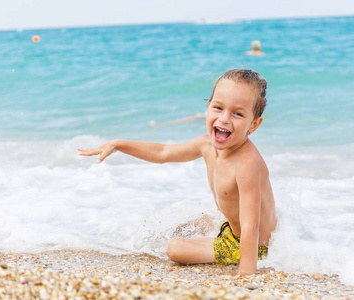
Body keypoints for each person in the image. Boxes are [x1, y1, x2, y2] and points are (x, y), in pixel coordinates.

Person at [78, 69, 277, 276]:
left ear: (254, 124)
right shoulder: (206, 144)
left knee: (174, 248)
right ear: (208, 107)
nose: (224, 119)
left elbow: (250, 225)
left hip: (256, 247)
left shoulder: (246, 164)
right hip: (235, 230)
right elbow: (163, 152)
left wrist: (245, 277)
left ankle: (231, 255)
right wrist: (119, 144)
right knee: (181, 226)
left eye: (238, 113)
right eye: (218, 108)